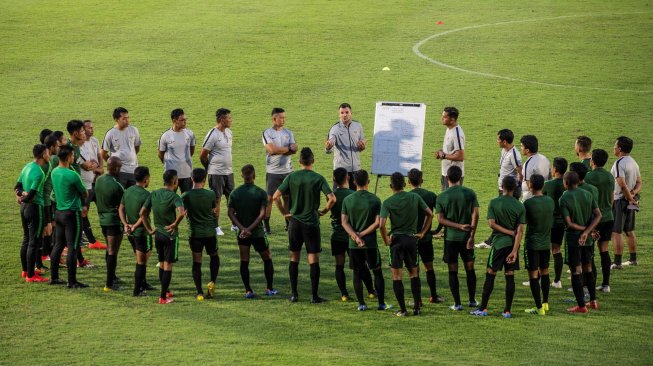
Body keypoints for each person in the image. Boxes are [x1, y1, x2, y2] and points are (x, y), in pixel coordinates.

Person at [273, 147, 335, 303]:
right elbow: (332, 198)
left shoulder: (292, 177)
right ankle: (314, 296)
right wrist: (324, 211)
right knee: (313, 258)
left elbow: (275, 197)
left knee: (294, 257)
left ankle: (294, 294)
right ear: (313, 161)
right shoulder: (318, 178)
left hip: (294, 223)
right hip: (311, 223)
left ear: (299, 161)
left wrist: (284, 213)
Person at [379, 172, 433, 317]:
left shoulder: (388, 202)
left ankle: (403, 310)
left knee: (397, 276)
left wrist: (386, 240)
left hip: (396, 241)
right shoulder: (415, 197)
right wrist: (422, 232)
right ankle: (416, 307)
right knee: (414, 273)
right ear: (404, 184)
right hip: (411, 240)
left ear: (391, 186)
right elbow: (430, 214)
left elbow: (381, 224)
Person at [471, 176, 524, 318]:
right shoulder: (520, 206)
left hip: (499, 244)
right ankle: (507, 310)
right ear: (514, 188)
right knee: (510, 275)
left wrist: (507, 232)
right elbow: (519, 231)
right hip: (513, 246)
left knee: (490, 273)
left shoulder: (494, 202)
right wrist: (514, 250)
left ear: (502, 186)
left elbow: (491, 224)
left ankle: (483, 308)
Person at [341, 170, 391, 311]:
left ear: (354, 182)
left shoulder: (348, 200)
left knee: (357, 273)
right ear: (368, 181)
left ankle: (361, 304)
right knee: (377, 272)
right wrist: (362, 235)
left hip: (353, 245)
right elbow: (377, 223)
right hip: (370, 243)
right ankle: (381, 303)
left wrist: (356, 237)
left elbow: (344, 222)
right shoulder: (375, 200)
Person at [228, 164, 278, 298]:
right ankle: (269, 288)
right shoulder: (261, 193)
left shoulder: (235, 193)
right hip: (258, 233)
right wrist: (250, 228)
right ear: (254, 176)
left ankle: (248, 290)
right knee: (267, 258)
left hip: (242, 234)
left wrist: (242, 228)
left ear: (242, 176)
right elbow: (263, 214)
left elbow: (230, 213)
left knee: (244, 260)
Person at [436, 166, 479, 311]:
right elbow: (476, 214)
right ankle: (472, 300)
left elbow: (441, 220)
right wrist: (471, 235)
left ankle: (457, 303)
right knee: (470, 268)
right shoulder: (470, 193)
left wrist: (457, 226)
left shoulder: (442, 196)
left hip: (451, 239)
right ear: (460, 178)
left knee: (452, 270)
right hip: (467, 238)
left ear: (447, 178)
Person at [141, 169, 186, 304]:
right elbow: (182, 213)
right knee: (167, 265)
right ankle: (163, 297)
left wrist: (149, 229)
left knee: (161, 263)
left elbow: (142, 213)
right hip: (170, 236)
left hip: (158, 234)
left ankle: (165, 291)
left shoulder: (154, 193)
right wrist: (174, 224)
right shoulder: (175, 197)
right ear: (175, 181)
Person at [559, 171, 602, 313]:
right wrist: (589, 231)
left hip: (573, 239)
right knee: (588, 267)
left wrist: (584, 231)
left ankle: (581, 306)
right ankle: (593, 301)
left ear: (565, 183)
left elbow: (569, 223)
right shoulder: (587, 194)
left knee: (576, 271)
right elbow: (598, 215)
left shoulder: (564, 198)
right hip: (588, 239)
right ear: (578, 182)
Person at [50, 145, 89, 288]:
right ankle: (71, 281)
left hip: (59, 212)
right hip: (72, 214)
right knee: (73, 247)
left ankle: (54, 278)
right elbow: (85, 193)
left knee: (58, 245)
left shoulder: (54, 172)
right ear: (67, 158)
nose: (74, 157)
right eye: (72, 155)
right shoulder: (72, 175)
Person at [476, 129, 522, 249]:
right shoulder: (504, 150)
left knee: (503, 217)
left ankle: (492, 241)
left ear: (505, 142)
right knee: (502, 217)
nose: (497, 141)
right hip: (503, 188)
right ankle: (495, 240)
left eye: (498, 140)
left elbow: (520, 172)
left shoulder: (514, 154)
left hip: (510, 190)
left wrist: (516, 187)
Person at [181, 168, 220, 301]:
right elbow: (213, 210)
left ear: (192, 179)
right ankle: (212, 283)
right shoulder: (210, 194)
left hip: (195, 234)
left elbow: (183, 212)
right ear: (204, 179)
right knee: (214, 256)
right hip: (210, 233)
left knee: (197, 262)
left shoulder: (185, 196)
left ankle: (199, 292)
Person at [407, 168, 444, 303]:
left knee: (414, 270)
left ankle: (418, 301)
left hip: (411, 238)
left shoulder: (407, 197)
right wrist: (437, 230)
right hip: (426, 238)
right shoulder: (431, 195)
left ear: (408, 181)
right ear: (421, 180)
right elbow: (441, 215)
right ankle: (433, 296)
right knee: (429, 267)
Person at [15, 144, 50, 283]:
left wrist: (20, 196)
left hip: (24, 208)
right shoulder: (39, 173)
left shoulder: (27, 166)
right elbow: (32, 196)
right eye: (47, 153)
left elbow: (17, 187)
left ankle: (25, 271)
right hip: (35, 209)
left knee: (26, 238)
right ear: (43, 155)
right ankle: (31, 275)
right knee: (33, 241)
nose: (49, 156)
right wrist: (25, 196)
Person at [522, 175, 555, 315]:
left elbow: (524, 222)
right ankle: (545, 302)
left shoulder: (528, 203)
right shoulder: (550, 201)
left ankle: (538, 307)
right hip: (546, 243)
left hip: (532, 243)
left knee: (533, 275)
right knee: (545, 271)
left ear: (530, 185)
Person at [119, 166, 154, 296]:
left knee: (140, 259)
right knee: (142, 261)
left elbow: (121, 208)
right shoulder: (146, 195)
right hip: (142, 233)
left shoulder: (127, 191)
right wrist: (134, 226)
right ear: (146, 179)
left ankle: (143, 284)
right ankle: (137, 290)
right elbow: (143, 215)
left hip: (131, 233)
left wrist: (125, 224)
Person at [263, 107, 297, 234]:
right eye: (281, 117)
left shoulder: (289, 132)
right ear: (274, 119)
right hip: (273, 172)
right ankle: (266, 225)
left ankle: (288, 223)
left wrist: (281, 149)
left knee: (287, 198)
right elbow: (271, 150)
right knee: (269, 199)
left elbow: (295, 149)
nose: (283, 120)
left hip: (288, 171)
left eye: (284, 117)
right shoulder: (267, 133)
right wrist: (288, 148)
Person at [585, 149, 615, 291]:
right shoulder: (610, 176)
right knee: (604, 250)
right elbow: (612, 198)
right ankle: (606, 284)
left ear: (593, 161)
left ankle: (589, 283)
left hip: (594, 219)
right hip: (608, 217)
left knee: (589, 250)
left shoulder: (589, 177)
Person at [200, 108, 233, 236]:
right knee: (217, 200)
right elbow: (203, 155)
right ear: (221, 119)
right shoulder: (212, 134)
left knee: (231, 198)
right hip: (216, 173)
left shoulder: (229, 132)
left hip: (229, 172)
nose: (231, 120)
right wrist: (210, 168)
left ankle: (234, 224)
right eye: (228, 118)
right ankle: (216, 226)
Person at [94, 157, 125, 291]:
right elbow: (123, 205)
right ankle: (109, 283)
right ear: (116, 168)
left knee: (109, 249)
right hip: (113, 221)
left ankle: (112, 276)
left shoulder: (99, 180)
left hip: (102, 220)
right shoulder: (117, 185)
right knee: (113, 251)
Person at [610, 136, 641, 268]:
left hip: (621, 200)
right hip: (631, 201)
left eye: (615, 146)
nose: (614, 148)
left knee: (616, 232)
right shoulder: (634, 162)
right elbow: (640, 182)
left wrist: (629, 198)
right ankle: (633, 259)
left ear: (620, 149)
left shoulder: (619, 163)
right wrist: (633, 196)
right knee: (629, 230)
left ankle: (617, 263)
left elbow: (621, 184)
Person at [325, 103, 366, 189]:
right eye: (342, 113)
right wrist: (329, 146)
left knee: (354, 199)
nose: (344, 115)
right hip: (341, 171)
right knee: (339, 198)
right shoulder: (335, 128)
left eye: (347, 112)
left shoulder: (358, 126)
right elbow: (330, 145)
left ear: (351, 113)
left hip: (355, 170)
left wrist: (362, 146)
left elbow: (361, 145)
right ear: (339, 114)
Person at [80, 119, 107, 250]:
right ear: (82, 130)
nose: (92, 130)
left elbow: (99, 156)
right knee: (84, 211)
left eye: (92, 127)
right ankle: (88, 239)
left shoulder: (94, 140)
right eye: (89, 128)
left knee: (103, 206)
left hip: (96, 181)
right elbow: (86, 166)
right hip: (86, 183)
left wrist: (101, 168)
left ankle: (102, 234)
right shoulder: (80, 146)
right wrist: (97, 169)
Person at [542, 157, 567, 288]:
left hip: (549, 222)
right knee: (556, 250)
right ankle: (557, 280)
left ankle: (542, 277)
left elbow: (541, 199)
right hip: (562, 222)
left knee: (545, 249)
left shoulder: (548, 184)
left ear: (555, 169)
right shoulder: (567, 184)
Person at [102, 107, 142, 188]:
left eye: (128, 117)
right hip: (120, 172)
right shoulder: (111, 134)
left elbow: (137, 147)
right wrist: (114, 165)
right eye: (124, 118)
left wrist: (130, 156)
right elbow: (103, 154)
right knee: (119, 196)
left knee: (132, 196)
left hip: (133, 170)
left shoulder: (134, 130)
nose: (127, 120)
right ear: (117, 119)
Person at [159, 108, 196, 194]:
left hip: (187, 173)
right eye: (182, 120)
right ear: (174, 120)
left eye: (185, 119)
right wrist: (168, 165)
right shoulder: (166, 136)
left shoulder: (190, 134)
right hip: (171, 175)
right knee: (169, 199)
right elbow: (161, 154)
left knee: (188, 200)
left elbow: (192, 151)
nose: (184, 122)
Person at [435, 106, 465, 191]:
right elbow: (451, 150)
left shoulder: (457, 134)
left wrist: (444, 155)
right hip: (446, 172)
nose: (442, 118)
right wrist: (441, 152)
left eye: (444, 117)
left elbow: (460, 156)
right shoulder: (449, 129)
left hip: (454, 176)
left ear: (452, 120)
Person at [519, 135, 550, 201]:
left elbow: (529, 184)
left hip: (530, 198)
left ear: (527, 150)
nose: (520, 148)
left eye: (521, 146)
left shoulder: (529, 163)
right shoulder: (545, 159)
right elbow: (550, 177)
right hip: (543, 195)